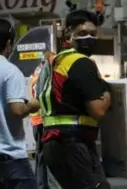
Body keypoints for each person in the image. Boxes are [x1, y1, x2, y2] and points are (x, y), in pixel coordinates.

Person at [39, 10, 112, 189]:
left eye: (93, 34)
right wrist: (108, 93)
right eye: (81, 33)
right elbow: (98, 110)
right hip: (72, 143)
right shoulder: (81, 63)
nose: (88, 38)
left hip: (57, 143)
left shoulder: (58, 61)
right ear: (68, 34)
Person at [0, 18, 40, 189]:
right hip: (10, 158)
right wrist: (35, 104)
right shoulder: (9, 70)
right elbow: (17, 109)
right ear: (9, 44)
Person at [30, 50, 56, 189]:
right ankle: (42, 185)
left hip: (36, 120)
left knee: (40, 155)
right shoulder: (44, 74)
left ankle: (40, 183)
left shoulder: (36, 73)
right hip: (42, 120)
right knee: (44, 156)